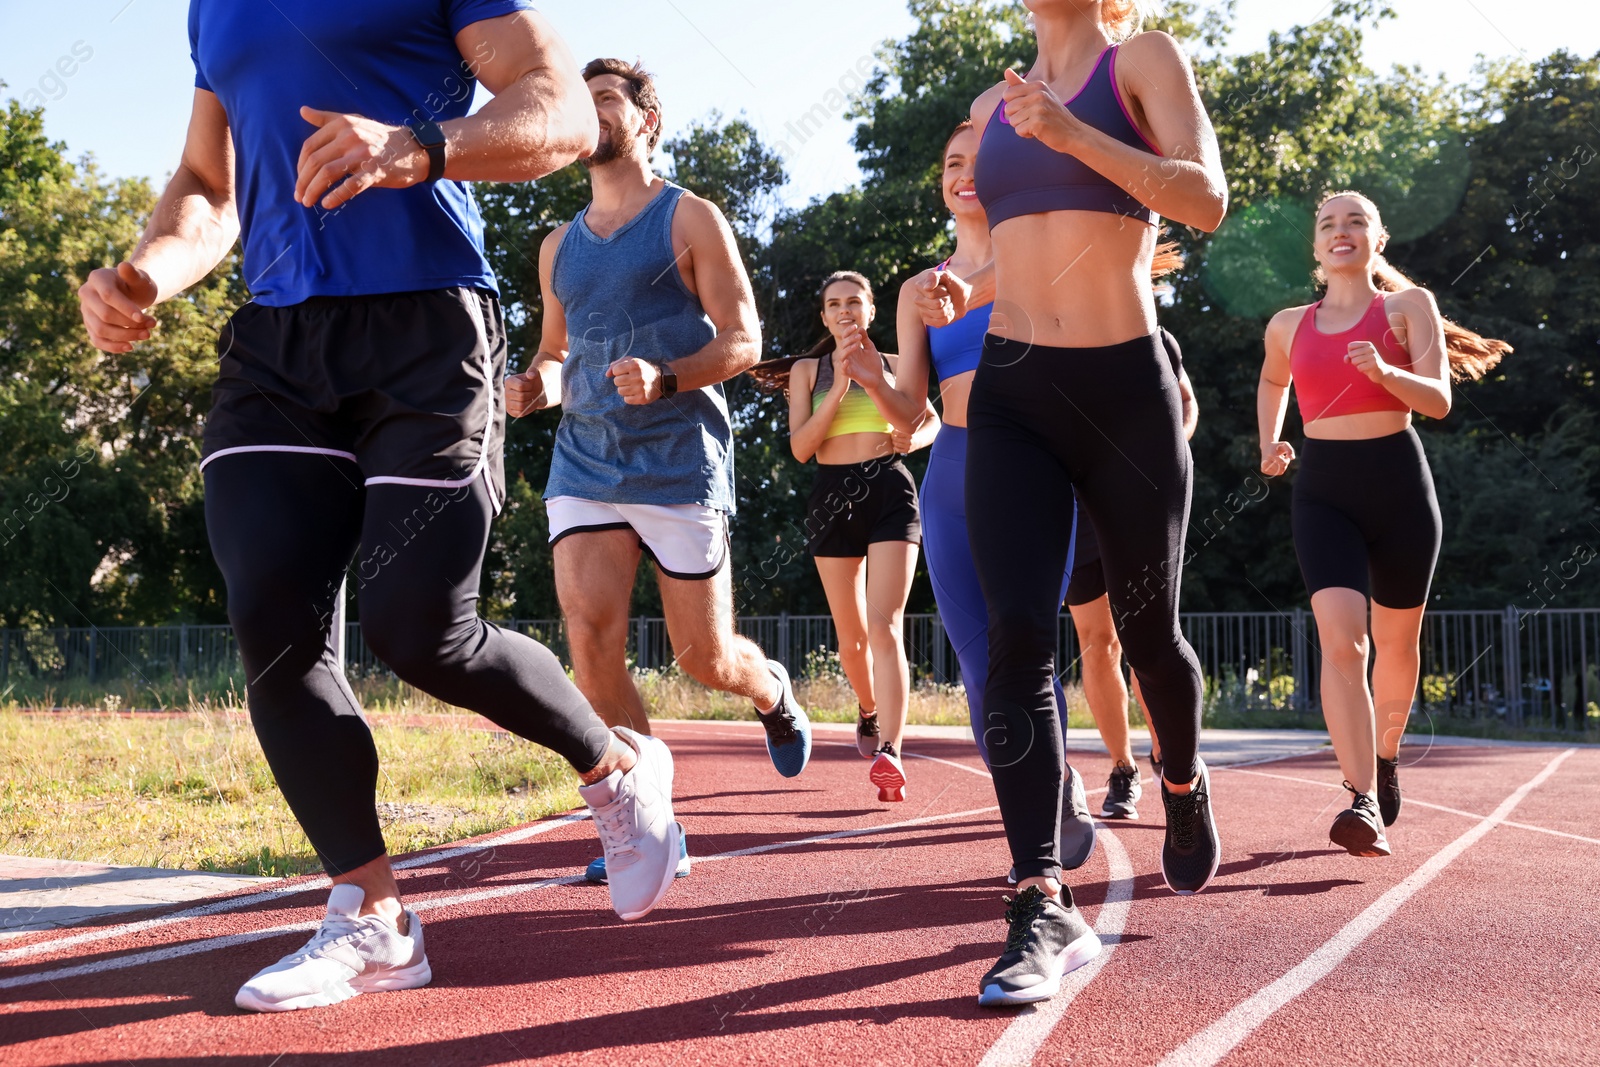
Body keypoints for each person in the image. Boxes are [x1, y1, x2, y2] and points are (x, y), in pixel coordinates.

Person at [77, 4, 682, 1012]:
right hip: (276, 340)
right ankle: (373, 912)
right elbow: (208, 181)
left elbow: (561, 109)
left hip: (427, 326)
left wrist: (418, 148)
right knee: (273, 622)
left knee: (421, 626)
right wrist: (148, 271)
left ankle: (616, 762)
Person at [913, 0, 1229, 1007]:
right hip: (1012, 393)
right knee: (1018, 642)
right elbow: (1030, 227)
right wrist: (975, 286)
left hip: (1125, 393)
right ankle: (1037, 893)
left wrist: (1071, 131)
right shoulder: (992, 101)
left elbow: (1205, 199)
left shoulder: (1140, 58)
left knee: (1148, 636)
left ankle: (1178, 778)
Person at [506, 59, 813, 883]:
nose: (591, 112)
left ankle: (772, 690)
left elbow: (744, 339)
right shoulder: (557, 246)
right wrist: (538, 384)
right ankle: (651, 825)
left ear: (648, 119)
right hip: (586, 463)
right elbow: (558, 350)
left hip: (679, 461)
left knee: (703, 658)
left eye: (606, 99)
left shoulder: (690, 218)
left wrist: (669, 375)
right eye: (582, 102)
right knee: (593, 645)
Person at [1258, 189, 1508, 857]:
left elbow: (1439, 401)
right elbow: (1272, 382)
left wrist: (1387, 367)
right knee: (1345, 644)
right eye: (1328, 223)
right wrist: (1270, 441)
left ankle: (1387, 753)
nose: (1341, 231)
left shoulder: (1407, 307)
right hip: (1324, 491)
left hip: (1398, 483)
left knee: (1397, 644)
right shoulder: (1287, 323)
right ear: (1316, 246)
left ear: (1379, 238)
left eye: (1356, 221)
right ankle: (1361, 795)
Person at [892, 122, 1098, 871]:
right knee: (980, 670)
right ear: (941, 183)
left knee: (1026, 652)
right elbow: (909, 412)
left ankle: (1043, 827)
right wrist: (865, 373)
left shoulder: (1043, 258)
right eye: (951, 163)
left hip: (1036, 465)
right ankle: (1045, 790)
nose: (964, 174)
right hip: (951, 471)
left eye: (980, 162)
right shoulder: (919, 290)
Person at [752, 271, 938, 803]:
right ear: (825, 316)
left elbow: (932, 421)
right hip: (833, 496)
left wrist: (914, 433)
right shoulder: (808, 371)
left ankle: (892, 753)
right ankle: (869, 710)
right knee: (852, 640)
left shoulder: (900, 365)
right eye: (834, 304)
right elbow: (802, 448)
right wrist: (838, 385)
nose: (845, 311)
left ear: (872, 311)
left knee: (886, 627)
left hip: (889, 491)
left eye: (854, 302)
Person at [1069, 326, 1197, 819]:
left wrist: (1162, 455)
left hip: (1138, 505)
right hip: (1077, 511)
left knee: (1146, 640)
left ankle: (1170, 754)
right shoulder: (1049, 332)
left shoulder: (1157, 336)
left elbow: (1185, 406)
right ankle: (1122, 771)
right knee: (1098, 641)